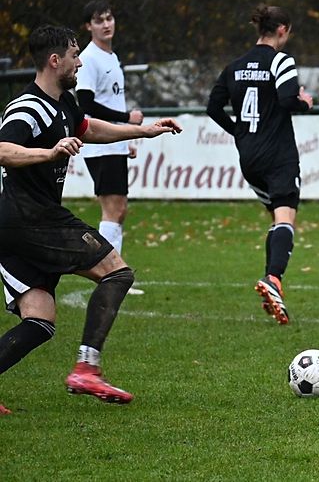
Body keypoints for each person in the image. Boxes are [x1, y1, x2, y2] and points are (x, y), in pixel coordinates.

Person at [0, 25, 182, 414]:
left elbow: (90, 128)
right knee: (117, 272)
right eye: (74, 55)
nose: (80, 63)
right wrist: (49, 153)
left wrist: (143, 131)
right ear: (55, 61)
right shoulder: (28, 107)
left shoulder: (64, 103)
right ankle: (87, 368)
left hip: (17, 224)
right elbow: (3, 149)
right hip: (30, 219)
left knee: (40, 321)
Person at [206, 4, 314, 325]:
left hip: (249, 156)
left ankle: (272, 285)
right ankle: (273, 279)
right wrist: (305, 103)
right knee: (286, 218)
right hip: (278, 154)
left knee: (277, 220)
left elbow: (213, 107)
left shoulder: (235, 66)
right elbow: (287, 99)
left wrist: (238, 132)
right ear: (282, 30)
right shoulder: (281, 61)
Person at [76, 0, 147, 295]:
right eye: (99, 20)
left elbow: (110, 99)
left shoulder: (111, 56)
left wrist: (125, 140)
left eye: (109, 18)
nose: (106, 24)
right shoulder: (89, 58)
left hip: (114, 144)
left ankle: (113, 274)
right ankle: (111, 276)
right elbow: (85, 103)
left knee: (119, 210)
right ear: (88, 26)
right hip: (100, 145)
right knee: (112, 209)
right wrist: (127, 119)